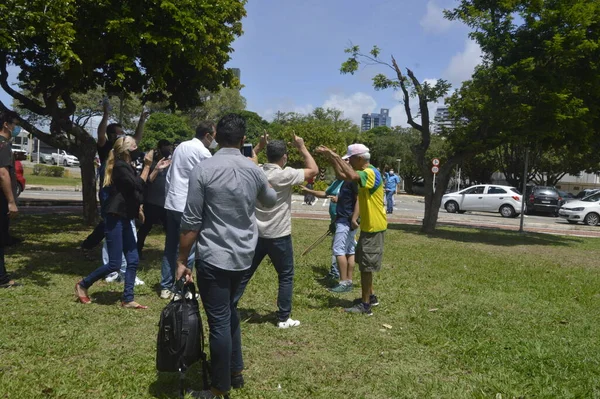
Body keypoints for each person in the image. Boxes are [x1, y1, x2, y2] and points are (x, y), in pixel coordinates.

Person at [176, 113, 277, 398]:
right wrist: (256, 174)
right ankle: (235, 368)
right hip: (245, 255)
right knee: (229, 310)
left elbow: (191, 221)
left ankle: (219, 388)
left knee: (219, 319)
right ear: (243, 140)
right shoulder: (253, 169)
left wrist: (182, 260)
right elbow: (269, 200)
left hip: (215, 257)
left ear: (216, 137)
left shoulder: (204, 169)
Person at [233, 133, 319, 329]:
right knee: (285, 275)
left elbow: (245, 159)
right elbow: (313, 170)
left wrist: (258, 147)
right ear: (284, 157)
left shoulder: (256, 171)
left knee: (245, 272)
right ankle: (283, 317)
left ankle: (230, 306)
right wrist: (302, 147)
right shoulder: (286, 174)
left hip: (255, 233)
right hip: (279, 233)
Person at [75, 137, 153, 308]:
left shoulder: (128, 167)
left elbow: (136, 192)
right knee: (115, 264)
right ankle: (83, 284)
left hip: (126, 216)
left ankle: (128, 298)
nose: (137, 147)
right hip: (115, 216)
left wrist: (139, 209)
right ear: (126, 150)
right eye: (134, 145)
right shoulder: (119, 166)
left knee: (132, 260)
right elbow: (137, 185)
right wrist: (147, 166)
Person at [316, 143, 387, 315]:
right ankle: (371, 297)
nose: (350, 162)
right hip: (369, 226)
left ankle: (365, 305)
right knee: (364, 263)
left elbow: (350, 174)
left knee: (366, 268)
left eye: (351, 159)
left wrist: (334, 154)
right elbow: (343, 175)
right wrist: (331, 158)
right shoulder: (364, 173)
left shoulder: (370, 173)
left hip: (374, 227)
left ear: (360, 158)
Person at [80, 101, 149, 256]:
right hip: (108, 189)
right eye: (120, 133)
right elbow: (100, 133)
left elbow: (137, 137)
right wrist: (105, 114)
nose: (123, 136)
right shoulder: (106, 146)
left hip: (120, 190)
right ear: (112, 135)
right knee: (109, 219)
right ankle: (93, 245)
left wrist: (142, 120)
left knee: (115, 219)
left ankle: (95, 245)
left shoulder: (123, 147)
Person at [161, 122, 216, 299]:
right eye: (214, 136)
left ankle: (165, 286)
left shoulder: (181, 147)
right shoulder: (204, 153)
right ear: (208, 135)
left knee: (170, 247)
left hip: (172, 202)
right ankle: (182, 288)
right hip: (188, 205)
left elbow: (170, 175)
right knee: (188, 248)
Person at [300, 179, 344, 281]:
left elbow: (355, 199)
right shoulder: (336, 182)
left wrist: (340, 200)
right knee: (337, 246)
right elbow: (325, 194)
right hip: (335, 220)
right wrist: (309, 190)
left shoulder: (349, 182)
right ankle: (339, 272)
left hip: (343, 220)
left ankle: (336, 273)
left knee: (338, 248)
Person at [136, 139, 173, 258]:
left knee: (170, 229)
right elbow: (148, 180)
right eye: (167, 147)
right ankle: (137, 250)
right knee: (145, 227)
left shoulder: (170, 164)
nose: (169, 150)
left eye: (170, 147)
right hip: (152, 201)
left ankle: (170, 252)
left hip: (165, 202)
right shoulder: (152, 163)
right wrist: (157, 168)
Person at [325, 175, 359, 293]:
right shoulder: (349, 181)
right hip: (347, 220)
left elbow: (358, 199)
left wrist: (354, 218)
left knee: (339, 250)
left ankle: (343, 282)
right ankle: (349, 281)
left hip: (345, 220)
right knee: (350, 250)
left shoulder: (351, 181)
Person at [0, 110, 21, 288]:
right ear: (6, 124)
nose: (16, 127)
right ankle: (2, 278)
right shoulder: (3, 144)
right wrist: (11, 201)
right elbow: (3, 173)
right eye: (14, 124)